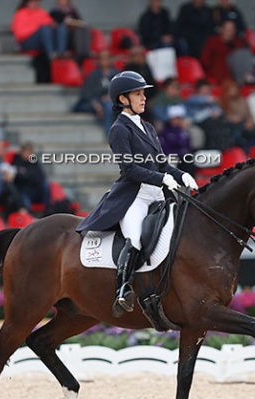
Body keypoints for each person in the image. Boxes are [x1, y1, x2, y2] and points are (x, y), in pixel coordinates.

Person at [76, 71, 198, 317]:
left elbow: (162, 164)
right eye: (138, 94)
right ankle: (123, 290)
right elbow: (130, 169)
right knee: (135, 238)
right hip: (135, 196)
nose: (144, 98)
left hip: (158, 194)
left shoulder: (148, 127)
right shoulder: (119, 130)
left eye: (143, 93)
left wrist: (180, 174)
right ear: (123, 99)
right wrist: (162, 179)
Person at [72, 50, 117, 134]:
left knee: (110, 105)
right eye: (102, 59)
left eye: (107, 58)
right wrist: (96, 104)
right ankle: (109, 134)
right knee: (107, 106)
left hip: (113, 102)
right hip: (95, 103)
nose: (105, 61)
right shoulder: (93, 76)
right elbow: (87, 93)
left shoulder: (117, 75)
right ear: (98, 61)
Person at [200, 19, 253, 85]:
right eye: (227, 30)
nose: (229, 33)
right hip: (217, 77)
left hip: (236, 79)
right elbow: (205, 61)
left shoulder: (238, 43)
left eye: (231, 30)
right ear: (221, 30)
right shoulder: (213, 42)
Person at [218, 78, 255, 153]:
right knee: (239, 134)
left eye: (234, 89)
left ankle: (253, 153)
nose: (233, 91)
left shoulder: (243, 100)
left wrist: (250, 122)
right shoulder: (222, 101)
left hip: (244, 123)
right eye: (230, 89)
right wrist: (232, 118)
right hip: (231, 125)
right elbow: (224, 115)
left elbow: (249, 114)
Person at [11, 141, 51, 213]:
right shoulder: (16, 160)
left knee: (45, 186)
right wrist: (28, 175)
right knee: (22, 194)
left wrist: (25, 174)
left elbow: (40, 177)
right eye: (26, 152)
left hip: (35, 190)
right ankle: (30, 216)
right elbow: (17, 176)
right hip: (24, 190)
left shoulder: (34, 162)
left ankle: (48, 212)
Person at [158, 104, 194, 173]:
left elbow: (188, 147)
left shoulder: (184, 131)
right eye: (175, 119)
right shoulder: (165, 131)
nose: (177, 121)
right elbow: (164, 148)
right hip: (171, 157)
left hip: (184, 157)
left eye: (179, 119)